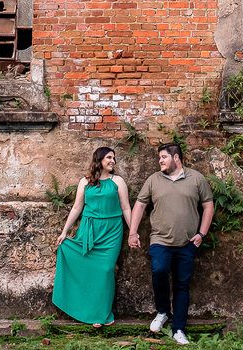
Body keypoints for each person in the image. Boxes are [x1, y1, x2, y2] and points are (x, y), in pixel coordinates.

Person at [127, 143, 214, 346]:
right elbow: (140, 205)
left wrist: (202, 233)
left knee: (182, 285)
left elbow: (208, 205)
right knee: (159, 271)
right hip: (160, 240)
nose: (160, 161)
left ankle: (179, 329)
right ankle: (163, 311)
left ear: (176, 158)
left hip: (188, 242)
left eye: (164, 157)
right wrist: (133, 232)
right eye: (160, 158)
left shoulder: (196, 178)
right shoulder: (153, 180)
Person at [52, 146, 132, 326]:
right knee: (88, 270)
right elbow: (77, 208)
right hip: (88, 231)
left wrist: (133, 231)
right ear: (99, 160)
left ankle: (101, 313)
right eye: (109, 157)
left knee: (105, 271)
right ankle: (89, 312)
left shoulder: (118, 181)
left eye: (114, 158)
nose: (113, 161)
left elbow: (126, 208)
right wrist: (64, 231)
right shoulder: (85, 182)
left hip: (112, 231)